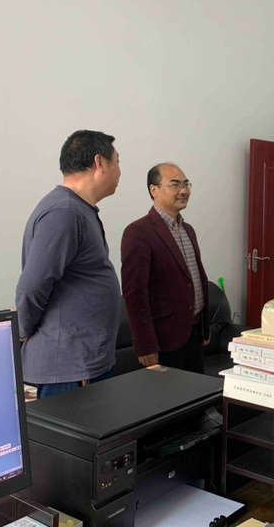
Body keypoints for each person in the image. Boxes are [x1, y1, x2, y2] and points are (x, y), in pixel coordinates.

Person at [15, 130, 122, 399]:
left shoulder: (78, 209)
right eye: (117, 162)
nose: (120, 171)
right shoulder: (65, 212)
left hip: (84, 362)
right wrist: (21, 331)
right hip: (69, 367)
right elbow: (33, 285)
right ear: (99, 163)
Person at [121, 163, 209, 374]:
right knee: (169, 394)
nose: (183, 191)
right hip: (164, 340)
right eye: (175, 185)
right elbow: (135, 295)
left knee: (198, 392)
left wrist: (204, 328)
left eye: (186, 184)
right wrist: (145, 345)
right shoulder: (138, 232)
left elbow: (194, 280)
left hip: (194, 333)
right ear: (154, 190)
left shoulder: (188, 230)